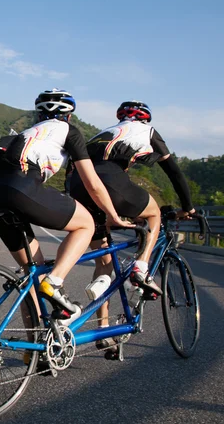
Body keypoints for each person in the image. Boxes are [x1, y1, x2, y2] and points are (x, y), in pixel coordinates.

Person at [0, 89, 134, 325]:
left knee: (32, 272)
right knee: (86, 224)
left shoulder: (21, 135)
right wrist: (112, 215)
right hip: (22, 187)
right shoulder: (69, 131)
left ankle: (34, 350)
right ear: (69, 116)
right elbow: (91, 183)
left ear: (38, 115)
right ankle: (54, 283)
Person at [67, 100, 196, 352]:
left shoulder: (101, 135)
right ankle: (141, 266)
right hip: (109, 182)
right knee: (154, 214)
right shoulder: (148, 132)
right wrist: (188, 207)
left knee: (104, 262)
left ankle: (103, 331)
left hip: (78, 186)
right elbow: (175, 173)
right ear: (145, 119)